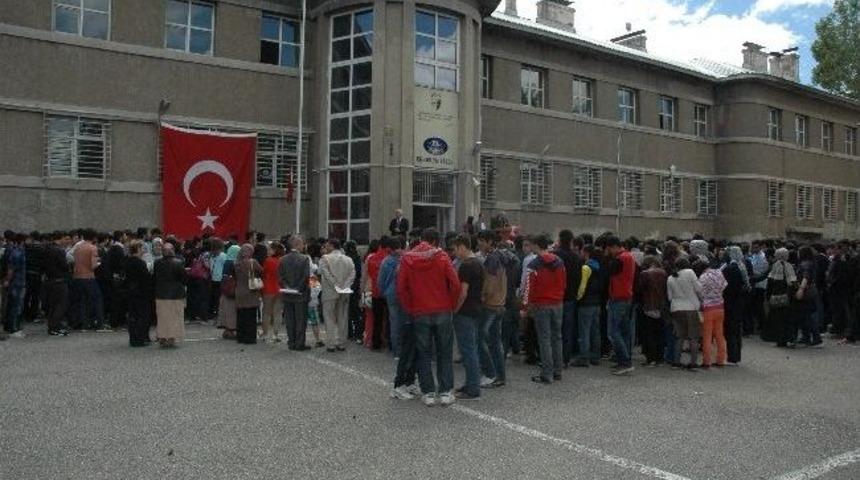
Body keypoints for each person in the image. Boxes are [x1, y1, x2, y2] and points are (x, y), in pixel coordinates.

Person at [396, 228, 460, 407]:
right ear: (436, 241)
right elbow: (454, 284)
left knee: (423, 353)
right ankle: (446, 391)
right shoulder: (442, 257)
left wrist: (410, 307)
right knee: (444, 352)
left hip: (419, 311)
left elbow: (401, 288)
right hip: (442, 309)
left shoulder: (408, 258)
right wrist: (451, 304)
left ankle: (428, 392)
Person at [521, 234, 566, 384]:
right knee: (557, 337)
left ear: (535, 245)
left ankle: (547, 373)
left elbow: (529, 288)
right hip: (557, 303)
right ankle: (557, 371)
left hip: (541, 304)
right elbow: (564, 283)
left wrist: (525, 307)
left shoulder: (534, 264)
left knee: (544, 339)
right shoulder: (559, 262)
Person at [451, 235, 484, 400]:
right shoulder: (479, 263)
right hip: (476, 309)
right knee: (472, 348)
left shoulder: (466, 266)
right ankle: (471, 383)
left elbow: (463, 292)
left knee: (467, 350)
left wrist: (455, 310)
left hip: (465, 311)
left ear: (463, 247)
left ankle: (472, 387)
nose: (455, 253)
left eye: (456, 249)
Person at [476, 230, 507, 388]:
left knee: (478, 338)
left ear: (489, 242)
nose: (479, 244)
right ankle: (500, 376)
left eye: (482, 241)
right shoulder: (501, 255)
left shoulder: (492, 259)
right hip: (500, 304)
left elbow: (491, 283)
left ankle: (490, 373)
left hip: (490, 305)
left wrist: (482, 296)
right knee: (495, 342)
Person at [605, 235, 636, 375]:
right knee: (624, 331)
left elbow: (608, 271)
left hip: (618, 297)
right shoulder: (629, 256)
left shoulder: (620, 258)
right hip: (626, 296)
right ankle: (625, 359)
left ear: (614, 246)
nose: (608, 251)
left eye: (609, 249)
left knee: (613, 331)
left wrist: (608, 257)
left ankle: (624, 361)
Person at [319, 238, 357, 352]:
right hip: (344, 291)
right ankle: (341, 343)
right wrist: (345, 285)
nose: (326, 248)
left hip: (330, 292)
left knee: (329, 317)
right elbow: (352, 274)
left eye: (327, 246)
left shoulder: (325, 258)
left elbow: (326, 274)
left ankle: (330, 343)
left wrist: (336, 285)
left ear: (331, 246)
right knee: (343, 317)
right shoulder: (348, 259)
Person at [667, 258, 702, 369]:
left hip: (676, 308)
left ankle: (676, 362)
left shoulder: (670, 277)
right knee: (693, 337)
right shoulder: (690, 272)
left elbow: (669, 297)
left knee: (679, 336)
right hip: (691, 307)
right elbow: (698, 288)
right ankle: (693, 363)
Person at [554, 229, 582, 366]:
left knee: (555, 330)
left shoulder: (555, 255)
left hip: (556, 297)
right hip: (571, 296)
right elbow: (579, 278)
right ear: (571, 240)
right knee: (567, 329)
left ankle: (555, 358)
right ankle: (565, 358)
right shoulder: (577, 257)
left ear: (559, 240)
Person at [280, 235, 311, 351]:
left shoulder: (283, 259)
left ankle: (291, 342)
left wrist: (287, 287)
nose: (304, 246)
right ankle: (299, 343)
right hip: (301, 294)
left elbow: (280, 277)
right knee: (300, 320)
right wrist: (298, 288)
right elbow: (306, 276)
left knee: (289, 319)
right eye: (302, 243)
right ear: (297, 244)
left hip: (287, 293)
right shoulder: (304, 259)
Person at [71, 229, 106, 331]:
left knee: (82, 302)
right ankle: (99, 324)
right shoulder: (93, 248)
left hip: (77, 277)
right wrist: (99, 262)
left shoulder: (77, 248)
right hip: (89, 277)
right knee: (97, 300)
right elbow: (93, 265)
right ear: (94, 238)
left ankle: (84, 324)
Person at [636, 255, 667, 367]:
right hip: (661, 306)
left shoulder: (644, 274)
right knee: (659, 333)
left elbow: (640, 290)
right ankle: (660, 357)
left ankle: (651, 358)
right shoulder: (663, 273)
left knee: (649, 333)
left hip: (648, 306)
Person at [153, 243, 186, 347]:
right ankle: (171, 338)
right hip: (175, 294)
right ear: (173, 251)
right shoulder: (179, 263)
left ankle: (162, 338)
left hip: (161, 293)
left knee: (162, 317)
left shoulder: (157, 263)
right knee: (175, 317)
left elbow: (155, 277)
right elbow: (184, 278)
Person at [698, 258, 728, 368]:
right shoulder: (719, 273)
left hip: (708, 308)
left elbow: (700, 293)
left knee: (707, 335)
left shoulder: (702, 277)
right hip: (720, 306)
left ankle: (707, 361)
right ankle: (721, 359)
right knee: (720, 335)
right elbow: (724, 286)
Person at [722, 246, 749, 365]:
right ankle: (736, 355)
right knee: (736, 330)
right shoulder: (741, 267)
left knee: (730, 330)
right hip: (739, 302)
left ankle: (732, 356)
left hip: (730, 303)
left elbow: (724, 287)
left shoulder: (730, 269)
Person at [766, 248, 798, 348]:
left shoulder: (774, 266)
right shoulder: (789, 266)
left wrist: (768, 296)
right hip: (787, 297)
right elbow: (793, 282)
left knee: (777, 319)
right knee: (788, 319)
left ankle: (780, 340)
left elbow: (770, 283)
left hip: (776, 297)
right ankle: (789, 338)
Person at [125, 240, 153, 347]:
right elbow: (145, 278)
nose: (143, 251)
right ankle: (141, 338)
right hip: (141, 293)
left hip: (131, 292)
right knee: (142, 317)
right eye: (141, 249)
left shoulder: (127, 262)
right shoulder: (140, 263)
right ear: (137, 249)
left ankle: (133, 338)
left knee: (133, 316)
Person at [234, 244, 263, 345]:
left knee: (240, 314)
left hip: (239, 290)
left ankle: (240, 336)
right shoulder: (253, 262)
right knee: (250, 315)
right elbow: (261, 271)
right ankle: (250, 338)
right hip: (250, 290)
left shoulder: (237, 262)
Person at [42, 233, 70, 336]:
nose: (66, 241)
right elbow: (64, 266)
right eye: (65, 239)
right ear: (61, 238)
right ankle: (55, 327)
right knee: (61, 305)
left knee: (53, 305)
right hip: (59, 280)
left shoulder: (46, 249)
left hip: (50, 280)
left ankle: (52, 327)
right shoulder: (59, 250)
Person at [795, 246, 821, 348]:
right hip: (811, 290)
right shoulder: (812, 263)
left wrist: (801, 289)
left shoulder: (805, 264)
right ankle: (808, 337)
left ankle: (814, 337)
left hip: (806, 291)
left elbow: (806, 277)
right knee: (807, 314)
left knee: (808, 315)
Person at [2, 233, 26, 337]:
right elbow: (11, 269)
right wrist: (7, 280)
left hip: (16, 281)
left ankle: (9, 326)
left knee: (12, 304)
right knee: (15, 305)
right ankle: (13, 328)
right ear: (22, 241)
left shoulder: (14, 250)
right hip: (17, 282)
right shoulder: (18, 252)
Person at [261, 242, 285, 343]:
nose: (268, 251)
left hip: (268, 288)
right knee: (277, 312)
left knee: (266, 312)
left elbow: (263, 272)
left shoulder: (268, 260)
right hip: (280, 288)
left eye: (270, 249)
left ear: (274, 250)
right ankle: (276, 334)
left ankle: (265, 333)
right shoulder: (282, 260)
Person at [219, 245, 240, 339]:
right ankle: (231, 330)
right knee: (232, 310)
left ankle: (227, 330)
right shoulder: (234, 263)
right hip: (232, 289)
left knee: (225, 310)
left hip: (225, 289)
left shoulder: (226, 261)